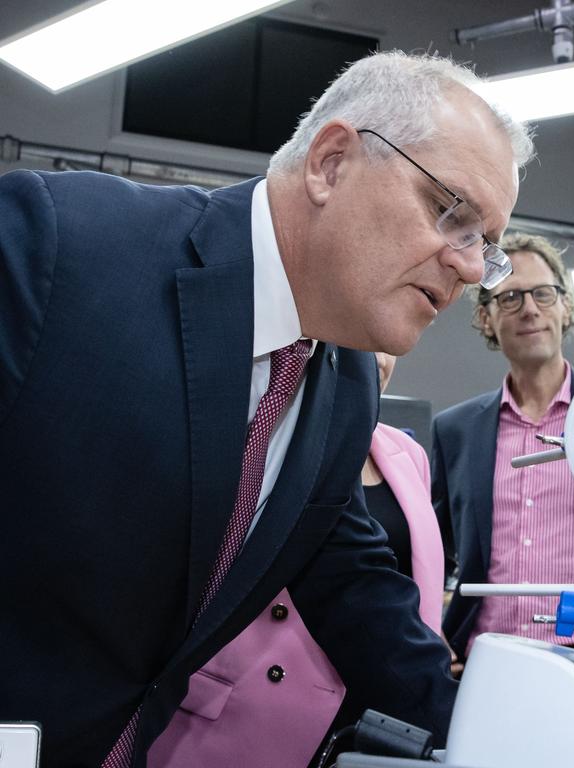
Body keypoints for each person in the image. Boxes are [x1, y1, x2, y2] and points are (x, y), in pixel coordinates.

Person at [0, 50, 533, 767]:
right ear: (331, 163)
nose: (471, 267)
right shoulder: (64, 247)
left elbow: (356, 596)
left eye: (485, 245)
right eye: (451, 214)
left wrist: (516, 739)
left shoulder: (342, 385)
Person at [148, 353, 445, 768]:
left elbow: (408, 581)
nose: (376, 358)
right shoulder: (277, 419)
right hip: (251, 711)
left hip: (380, 714)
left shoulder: (407, 453)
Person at [431, 233, 574, 663]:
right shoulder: (456, 429)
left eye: (543, 293)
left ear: (566, 306)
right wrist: (426, 628)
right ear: (486, 318)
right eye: (511, 298)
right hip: (484, 657)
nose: (530, 309)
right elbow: (432, 551)